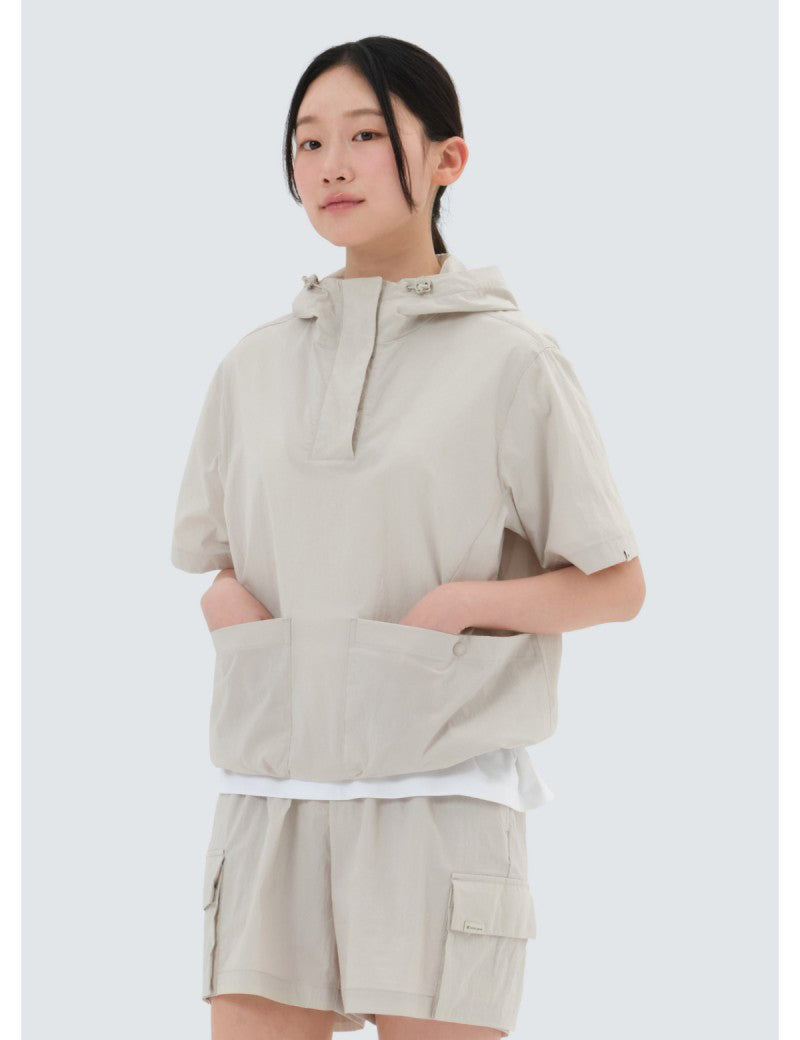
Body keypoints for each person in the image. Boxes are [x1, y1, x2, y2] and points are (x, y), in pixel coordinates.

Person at [171, 35, 646, 1040]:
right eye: (308, 142)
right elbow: (217, 555)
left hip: (440, 805)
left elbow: (616, 585)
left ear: (446, 160)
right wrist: (228, 603)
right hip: (268, 800)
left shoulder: (512, 362)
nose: (331, 165)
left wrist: (459, 606)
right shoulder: (251, 366)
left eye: (365, 135)